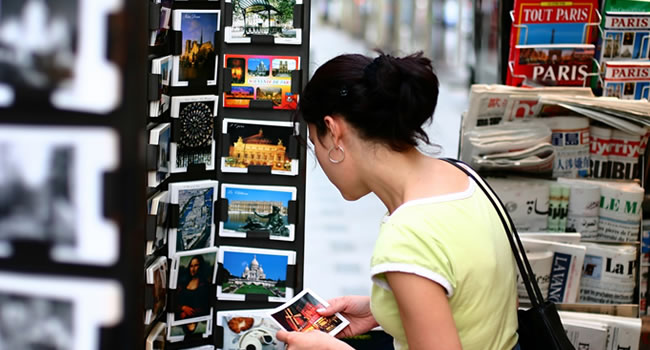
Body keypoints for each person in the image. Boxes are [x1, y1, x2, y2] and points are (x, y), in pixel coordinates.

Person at [276, 52, 519, 350]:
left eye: (316, 142)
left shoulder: (408, 236)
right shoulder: (464, 177)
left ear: (334, 131)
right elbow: (469, 301)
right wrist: (382, 310)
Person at [176, 255, 210, 321]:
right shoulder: (183, 283)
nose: (193, 269)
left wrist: (188, 313)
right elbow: (175, 301)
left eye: (196, 265)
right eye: (191, 266)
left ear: (201, 266)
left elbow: (205, 307)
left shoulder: (205, 285)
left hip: (195, 319)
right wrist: (183, 308)